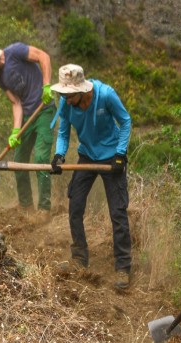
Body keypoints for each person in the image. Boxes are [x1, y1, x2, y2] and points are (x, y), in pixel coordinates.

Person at [50, 64, 133, 290]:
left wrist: (120, 153)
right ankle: (79, 259)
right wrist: (59, 155)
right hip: (86, 155)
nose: (64, 99)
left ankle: (123, 268)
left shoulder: (105, 95)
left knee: (117, 212)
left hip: (111, 158)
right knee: (75, 204)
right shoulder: (66, 104)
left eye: (68, 95)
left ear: (81, 90)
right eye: (62, 94)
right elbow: (64, 132)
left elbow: (125, 121)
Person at [0, 41, 54, 214]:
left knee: (40, 159)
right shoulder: (0, 78)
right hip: (27, 117)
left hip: (45, 110)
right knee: (18, 161)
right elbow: (16, 103)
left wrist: (46, 86)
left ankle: (44, 209)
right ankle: (26, 205)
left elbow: (43, 56)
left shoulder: (14, 52)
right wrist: (15, 130)